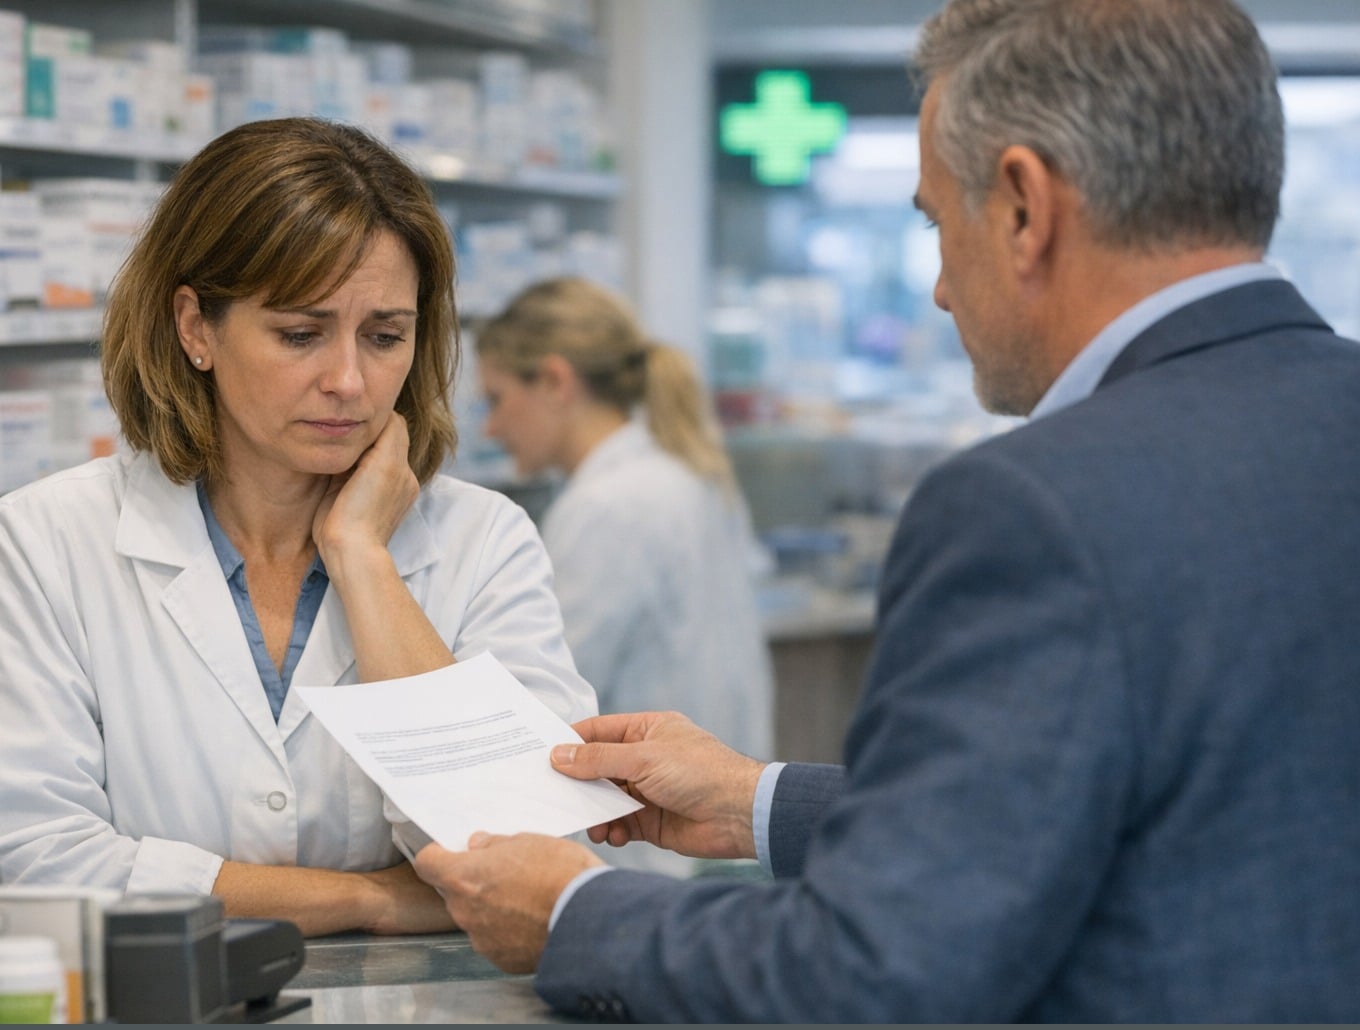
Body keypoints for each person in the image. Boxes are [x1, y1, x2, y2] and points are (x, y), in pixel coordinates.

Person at [414, 0, 1360, 1020]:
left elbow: (871, 972)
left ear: (1024, 208)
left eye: (934, 220)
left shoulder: (1032, 506)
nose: (943, 287)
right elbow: (1180, 811)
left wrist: (576, 914)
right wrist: (756, 800)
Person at [0, 117, 598, 937]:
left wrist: (364, 559)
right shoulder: (45, 541)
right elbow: (39, 861)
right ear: (196, 328)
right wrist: (369, 900)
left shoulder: (485, 541)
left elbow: (529, 859)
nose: (348, 380)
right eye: (300, 333)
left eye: (385, 336)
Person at [473, 277, 776, 876]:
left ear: (556, 382)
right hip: (719, 829)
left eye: (496, 399)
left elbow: (544, 697)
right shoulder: (685, 472)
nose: (491, 427)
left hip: (650, 849)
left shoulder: (607, 506)